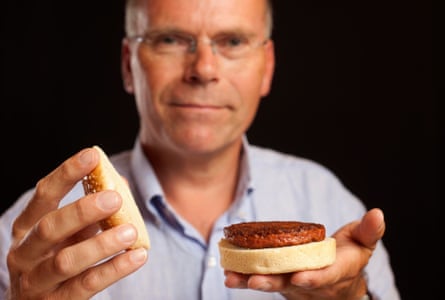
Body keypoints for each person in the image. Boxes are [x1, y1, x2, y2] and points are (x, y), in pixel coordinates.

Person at [0, 0, 400, 299]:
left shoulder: (330, 203)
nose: (204, 69)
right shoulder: (31, 243)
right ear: (128, 65)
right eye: (171, 39)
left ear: (268, 66)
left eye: (233, 41)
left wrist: (352, 297)